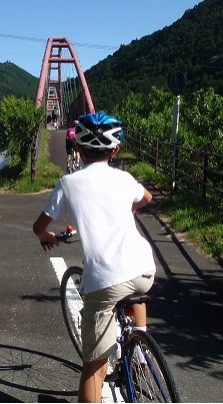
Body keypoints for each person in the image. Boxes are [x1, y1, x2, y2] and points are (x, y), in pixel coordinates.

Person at [33, 112, 156, 403]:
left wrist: (47, 237)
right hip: (145, 270)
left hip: (105, 281)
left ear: (77, 149)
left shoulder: (68, 184)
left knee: (93, 367)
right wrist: (125, 211)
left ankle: (122, 355)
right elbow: (147, 198)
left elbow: (39, 227)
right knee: (134, 291)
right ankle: (138, 350)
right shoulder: (124, 179)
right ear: (115, 150)